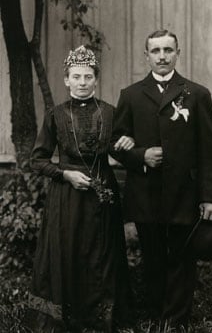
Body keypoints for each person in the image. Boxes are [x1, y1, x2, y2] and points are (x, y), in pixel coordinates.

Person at [111, 30, 212, 332]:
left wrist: (210, 196)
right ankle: (157, 311)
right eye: (156, 50)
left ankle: (175, 319)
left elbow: (210, 151)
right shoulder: (131, 95)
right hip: (146, 193)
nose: (162, 56)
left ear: (178, 53)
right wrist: (141, 155)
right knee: (154, 255)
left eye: (168, 50)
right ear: (146, 56)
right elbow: (115, 144)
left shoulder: (196, 94)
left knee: (182, 257)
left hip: (184, 193)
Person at [27, 45, 135, 333]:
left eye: (88, 76)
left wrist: (129, 144)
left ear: (96, 79)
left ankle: (102, 317)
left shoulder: (111, 112)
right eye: (76, 77)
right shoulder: (55, 115)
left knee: (104, 252)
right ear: (66, 80)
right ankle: (69, 317)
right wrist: (65, 174)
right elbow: (36, 160)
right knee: (69, 250)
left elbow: (122, 150)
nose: (82, 82)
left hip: (103, 194)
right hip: (67, 195)